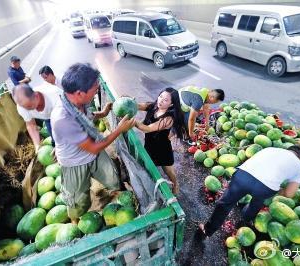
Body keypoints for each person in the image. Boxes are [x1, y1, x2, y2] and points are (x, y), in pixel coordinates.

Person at [50, 63, 135, 223]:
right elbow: (93, 148)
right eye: (95, 88)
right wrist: (119, 129)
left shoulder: (79, 101)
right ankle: (75, 221)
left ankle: (116, 197)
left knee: (112, 178)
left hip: (94, 152)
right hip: (75, 162)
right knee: (77, 201)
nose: (97, 90)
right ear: (80, 93)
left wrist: (103, 113)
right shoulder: (62, 118)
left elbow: (88, 116)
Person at [197, 145, 300, 239]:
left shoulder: (271, 149)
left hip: (243, 177)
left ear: (288, 150)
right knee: (256, 204)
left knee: (225, 203)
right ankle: (242, 225)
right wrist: (278, 190)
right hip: (265, 189)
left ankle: (207, 231)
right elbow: (289, 194)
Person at [135, 88, 187, 194]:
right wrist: (126, 103)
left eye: (166, 100)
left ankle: (176, 184)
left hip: (162, 148)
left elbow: (148, 128)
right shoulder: (153, 106)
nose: (160, 100)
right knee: (149, 166)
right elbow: (137, 106)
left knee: (168, 170)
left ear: (171, 104)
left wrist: (131, 121)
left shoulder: (168, 119)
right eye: (160, 96)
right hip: (149, 144)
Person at [12, 83, 61, 151]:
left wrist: (60, 145)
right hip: (48, 117)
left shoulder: (54, 95)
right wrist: (37, 145)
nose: (27, 110)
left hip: (65, 114)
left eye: (29, 106)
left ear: (37, 96)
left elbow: (65, 122)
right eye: (24, 107)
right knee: (55, 143)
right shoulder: (22, 107)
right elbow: (31, 125)